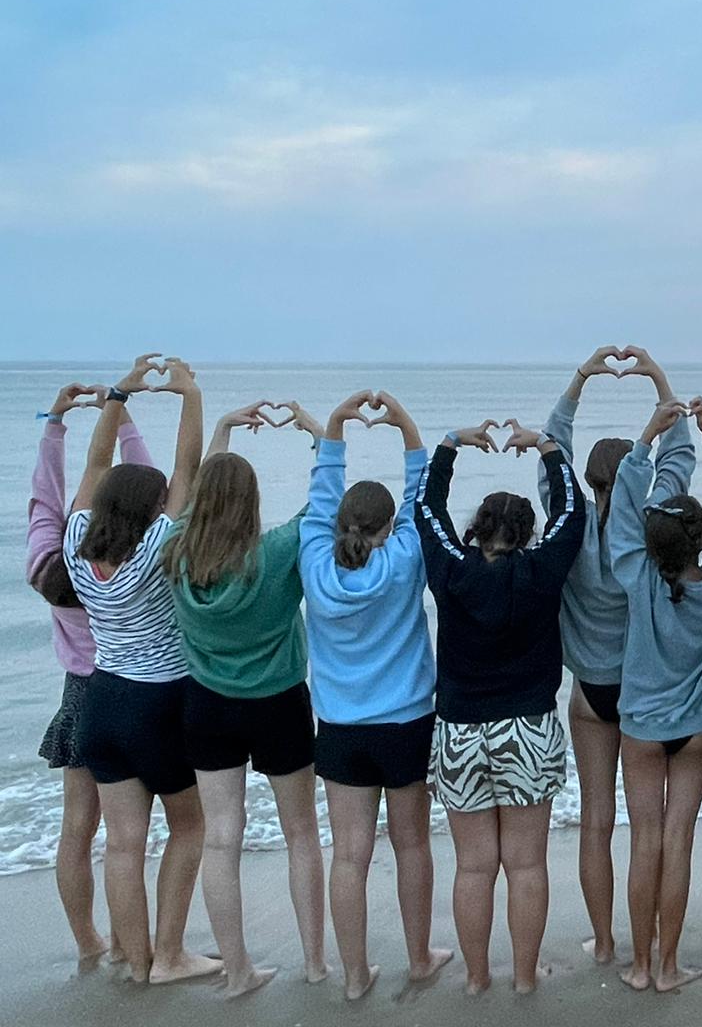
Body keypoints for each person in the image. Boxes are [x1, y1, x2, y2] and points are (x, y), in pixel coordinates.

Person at [62, 354, 221, 985]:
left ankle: (133, 958)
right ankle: (170, 956)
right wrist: (190, 394)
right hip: (159, 702)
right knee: (189, 828)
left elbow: (96, 467)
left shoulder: (77, 540)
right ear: (155, 508)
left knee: (122, 843)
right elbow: (188, 466)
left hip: (99, 702)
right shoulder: (159, 545)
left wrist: (120, 395)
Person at [417, 417, 587, 994]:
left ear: (478, 529)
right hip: (528, 730)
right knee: (526, 864)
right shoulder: (542, 570)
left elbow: (426, 513)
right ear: (526, 533)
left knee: (472, 867)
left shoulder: (452, 572)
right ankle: (521, 977)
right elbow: (573, 514)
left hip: (461, 732)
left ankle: (474, 977)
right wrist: (547, 449)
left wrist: (447, 448)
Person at [164, 398, 328, 996]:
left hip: (208, 706)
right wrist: (318, 435)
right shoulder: (277, 551)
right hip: (279, 703)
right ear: (252, 502)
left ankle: (236, 972)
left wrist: (227, 428)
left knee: (220, 838)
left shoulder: (177, 552)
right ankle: (314, 962)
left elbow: (187, 502)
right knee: (302, 833)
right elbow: (326, 508)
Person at [300, 389, 453, 1000]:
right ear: (390, 526)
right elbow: (422, 498)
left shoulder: (315, 558)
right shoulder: (406, 555)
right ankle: (419, 958)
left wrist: (335, 425)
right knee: (412, 842)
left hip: (340, 727)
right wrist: (407, 428)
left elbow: (320, 497)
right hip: (407, 722)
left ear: (340, 523)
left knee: (348, 855)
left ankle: (356, 976)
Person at [539, 345, 687, 964]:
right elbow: (678, 456)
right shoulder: (651, 529)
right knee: (647, 826)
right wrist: (655, 374)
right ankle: (650, 941)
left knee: (596, 822)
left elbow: (552, 452)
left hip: (590, 692)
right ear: (631, 476)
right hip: (643, 690)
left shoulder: (565, 524)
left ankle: (604, 944)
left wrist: (581, 377)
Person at [26, 380, 152, 965]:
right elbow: (150, 483)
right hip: (134, 691)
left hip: (79, 697)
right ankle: (133, 944)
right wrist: (122, 414)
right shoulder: (136, 561)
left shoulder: (54, 564)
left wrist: (55, 424)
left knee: (77, 830)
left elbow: (43, 502)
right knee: (131, 837)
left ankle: (89, 943)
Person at [609, 396, 702, 992]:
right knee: (677, 838)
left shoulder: (635, 573)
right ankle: (668, 965)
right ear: (700, 539)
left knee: (645, 840)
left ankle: (637, 964)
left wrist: (642, 442)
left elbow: (623, 516)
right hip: (693, 729)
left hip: (640, 728)